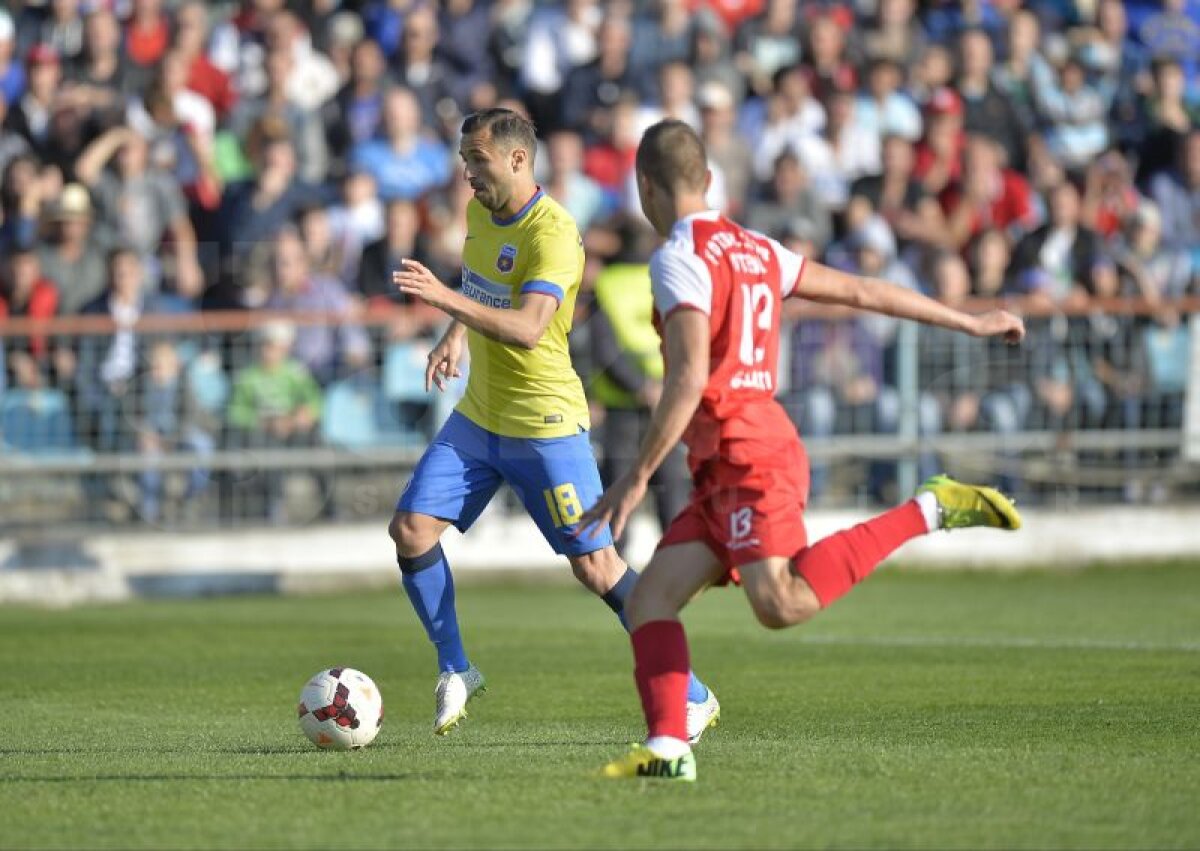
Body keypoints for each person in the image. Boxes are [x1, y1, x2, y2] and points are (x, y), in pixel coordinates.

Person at [580, 120, 1025, 783]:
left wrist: (637, 475)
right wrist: (968, 318)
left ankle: (928, 507)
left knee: (780, 602)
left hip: (749, 449)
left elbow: (688, 375)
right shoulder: (756, 246)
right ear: (707, 180)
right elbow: (863, 291)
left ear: (645, 186)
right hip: (726, 457)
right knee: (650, 601)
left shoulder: (677, 256)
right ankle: (670, 743)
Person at [389, 108, 718, 739]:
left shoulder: (557, 233)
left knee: (597, 569)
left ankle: (693, 692)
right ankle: (456, 667)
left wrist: (442, 300)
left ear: (516, 160)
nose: (466, 173)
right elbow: (484, 283)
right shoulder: (480, 211)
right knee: (410, 529)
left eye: (476, 160)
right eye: (463, 159)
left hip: (545, 425)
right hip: (481, 416)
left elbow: (528, 327)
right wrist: (456, 331)